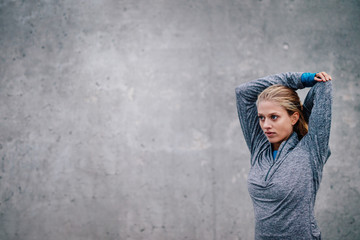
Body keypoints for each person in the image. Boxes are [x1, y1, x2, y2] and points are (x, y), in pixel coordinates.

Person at [235, 72, 332, 239]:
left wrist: (307, 80)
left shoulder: (311, 149)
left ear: (294, 117)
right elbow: (242, 92)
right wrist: (297, 79)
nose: (266, 125)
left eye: (274, 117)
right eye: (261, 118)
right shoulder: (259, 147)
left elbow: (323, 86)